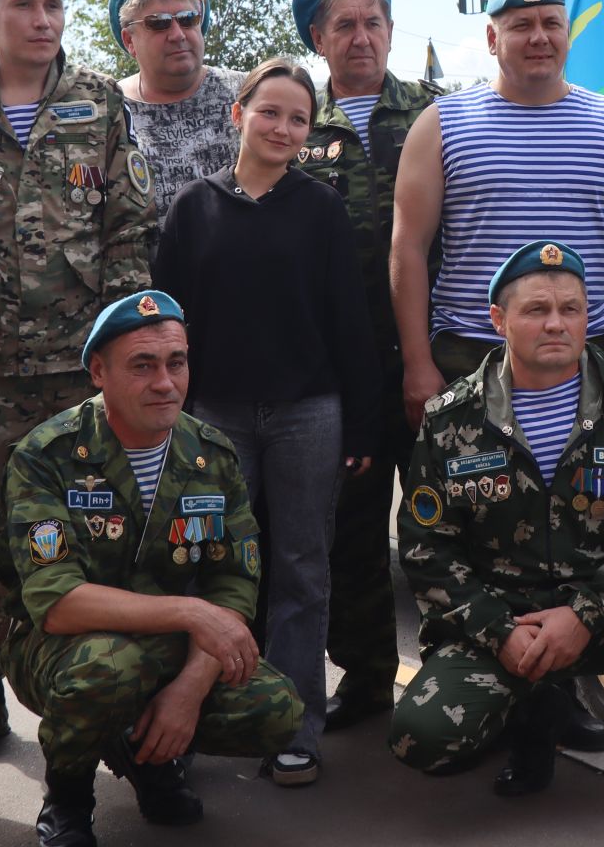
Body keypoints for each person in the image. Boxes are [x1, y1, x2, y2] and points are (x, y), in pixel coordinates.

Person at [389, 0, 604, 752]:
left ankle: (562, 693)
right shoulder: (443, 124)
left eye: (552, 22)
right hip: (470, 357)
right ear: (492, 39)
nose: (540, 36)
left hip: (584, 356)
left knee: (582, 531)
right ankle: (507, 688)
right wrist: (418, 361)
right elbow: (408, 247)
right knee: (487, 543)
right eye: (522, 25)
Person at [388, 241, 604, 832]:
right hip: (505, 626)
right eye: (536, 310)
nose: (556, 323)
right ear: (498, 320)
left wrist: (583, 614)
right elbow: (428, 548)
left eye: (572, 308)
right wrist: (499, 633)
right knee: (421, 739)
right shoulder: (453, 418)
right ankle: (535, 719)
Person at [0, 0, 155, 763]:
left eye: (54, 3)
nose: (44, 19)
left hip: (78, 369)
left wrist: (121, 347)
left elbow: (127, 224)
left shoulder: (98, 99)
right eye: (25, 4)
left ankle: (87, 688)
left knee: (93, 533)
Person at [2, 290, 304, 847]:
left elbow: (234, 581)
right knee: (108, 669)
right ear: (98, 371)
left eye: (177, 362)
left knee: (275, 707)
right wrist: (191, 612)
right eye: (142, 366)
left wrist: (189, 689)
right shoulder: (48, 455)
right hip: (61, 649)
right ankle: (67, 797)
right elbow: (57, 601)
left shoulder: (211, 456)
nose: (165, 383)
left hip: (162, 646)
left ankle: (149, 758)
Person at [150, 57, 378, 786]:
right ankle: (190, 721)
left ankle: (292, 724)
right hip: (215, 419)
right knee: (206, 568)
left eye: (299, 118)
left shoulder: (321, 209)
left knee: (302, 571)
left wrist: (363, 426)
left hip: (309, 415)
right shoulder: (193, 207)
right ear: (237, 114)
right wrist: (168, 420)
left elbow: (351, 322)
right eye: (270, 111)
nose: (283, 128)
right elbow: (166, 328)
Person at [289, 0, 441, 734]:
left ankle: (461, 675)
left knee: (445, 520)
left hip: (428, 355)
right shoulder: (293, 126)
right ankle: (368, 676)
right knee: (350, 529)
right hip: (341, 369)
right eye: (343, 25)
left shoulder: (437, 113)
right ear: (318, 36)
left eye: (373, 23)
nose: (361, 38)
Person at [108, 0, 243, 225]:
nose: (177, 34)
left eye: (187, 19)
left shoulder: (248, 93)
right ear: (129, 40)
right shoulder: (109, 110)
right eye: (158, 23)